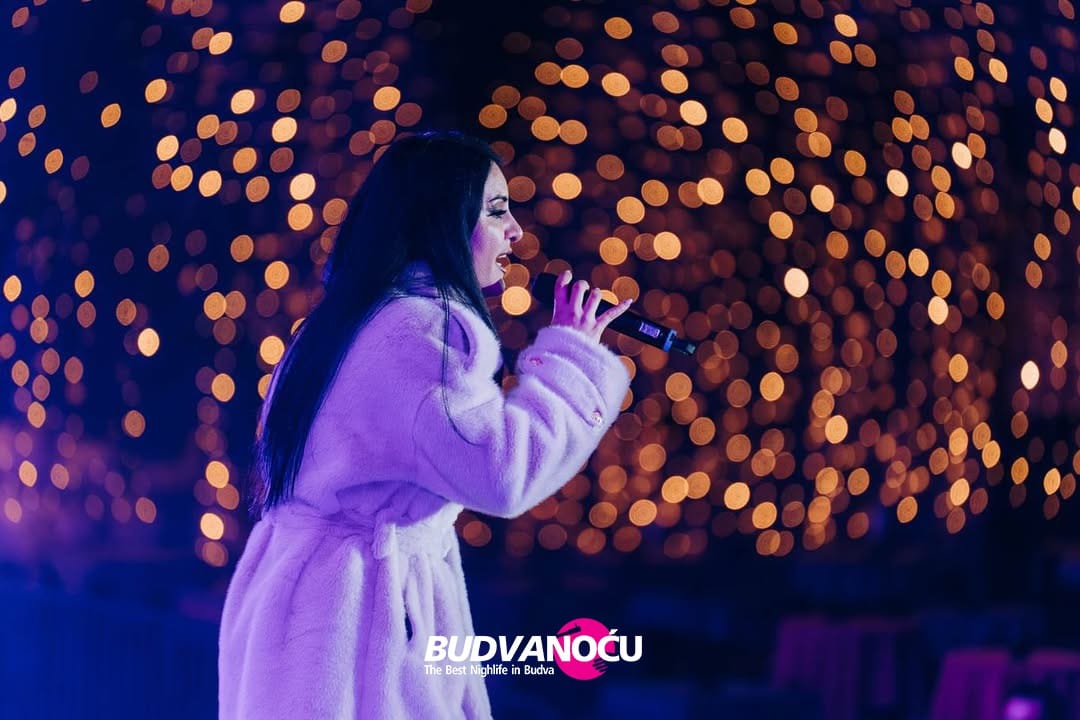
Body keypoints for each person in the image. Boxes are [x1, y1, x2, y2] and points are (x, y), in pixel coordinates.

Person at [218, 130, 634, 719]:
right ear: (442, 220)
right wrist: (572, 355)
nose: (515, 231)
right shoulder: (416, 336)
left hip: (312, 612)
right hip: (359, 630)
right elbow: (501, 472)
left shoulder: (347, 320)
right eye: (495, 210)